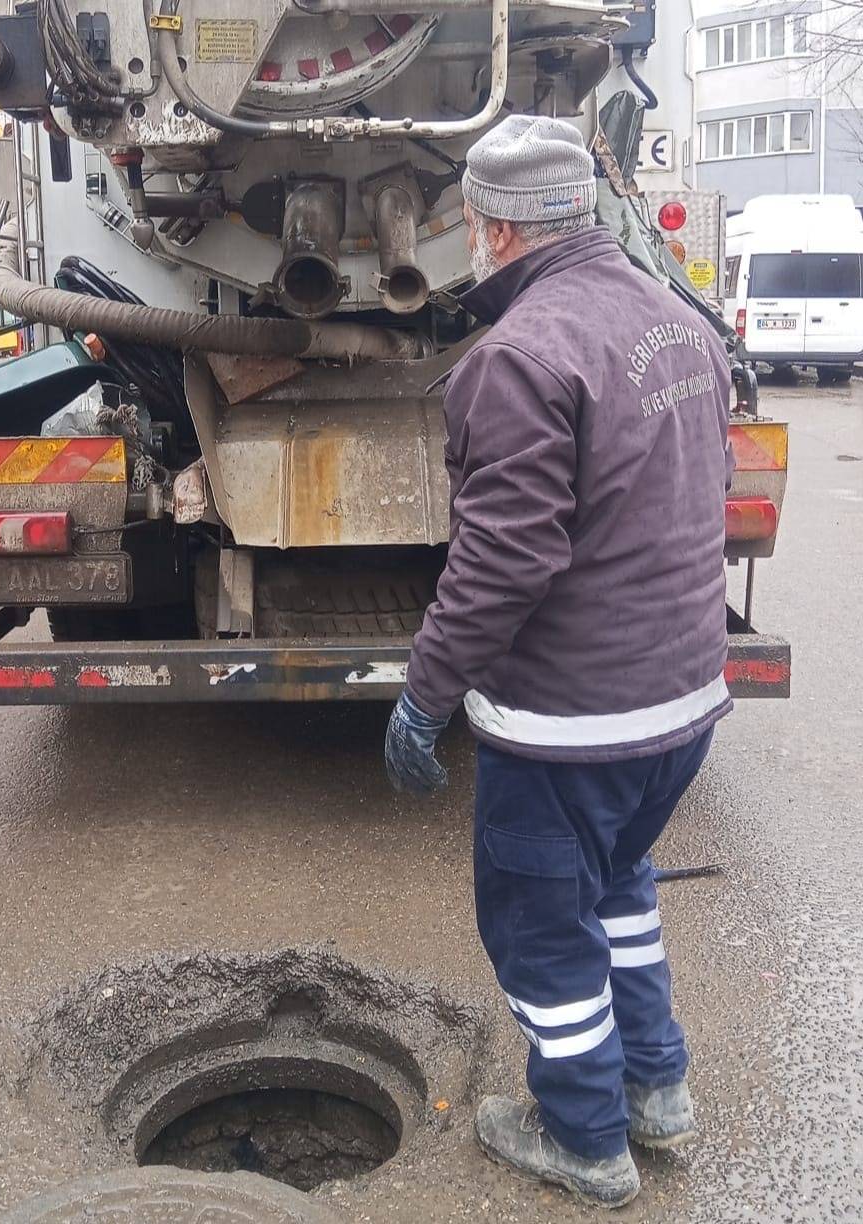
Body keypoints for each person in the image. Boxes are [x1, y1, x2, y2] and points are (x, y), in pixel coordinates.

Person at [384, 115, 734, 1209]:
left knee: (541, 928)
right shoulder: (677, 321)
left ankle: (584, 1136)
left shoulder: (519, 357)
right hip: (684, 704)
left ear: (490, 231)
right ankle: (657, 1086)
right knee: (618, 884)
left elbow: (502, 565)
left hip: (571, 725)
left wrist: (423, 699)